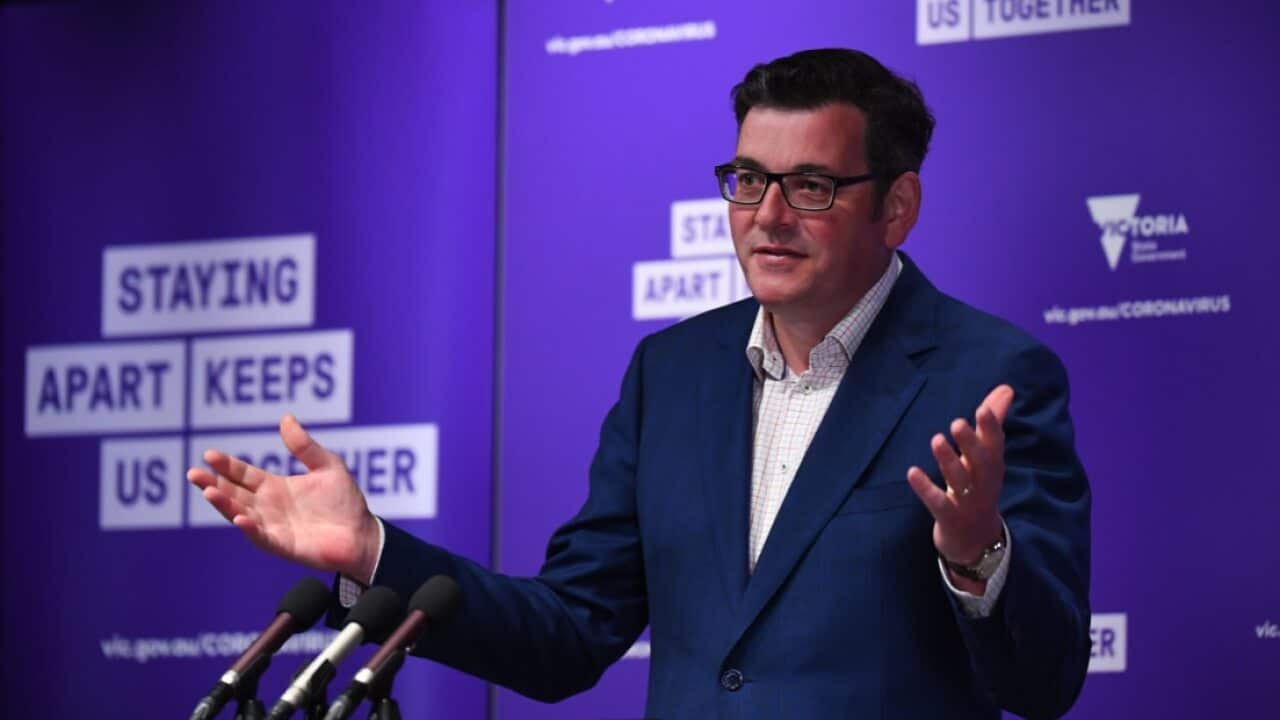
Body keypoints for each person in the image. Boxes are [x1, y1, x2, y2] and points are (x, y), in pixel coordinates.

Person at [189, 48, 1090, 719]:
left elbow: (1044, 682)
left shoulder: (989, 379)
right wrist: (373, 552)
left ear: (897, 207)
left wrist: (978, 554)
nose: (767, 217)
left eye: (810, 186)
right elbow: (569, 634)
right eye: (747, 180)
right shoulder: (672, 375)